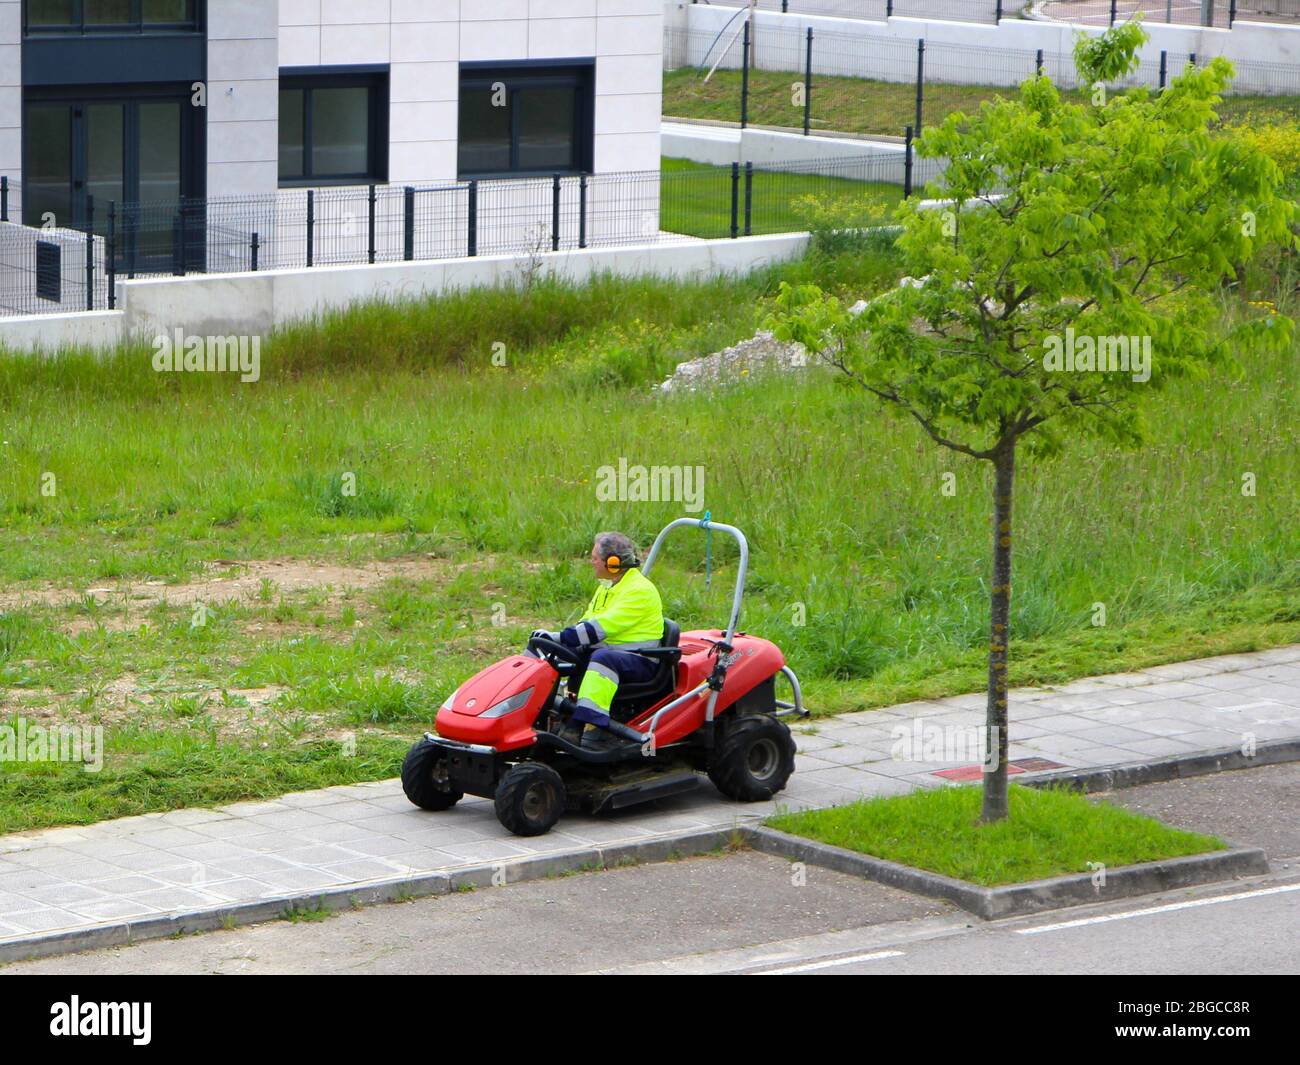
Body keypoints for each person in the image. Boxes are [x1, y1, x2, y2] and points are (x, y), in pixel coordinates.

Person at [531, 531, 664, 749]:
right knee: (557, 653)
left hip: (641, 660)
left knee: (603, 659)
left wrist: (560, 637)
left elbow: (599, 629)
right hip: (615, 653)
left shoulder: (640, 591)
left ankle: (586, 726)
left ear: (613, 563)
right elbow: (585, 623)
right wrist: (556, 640)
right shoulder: (607, 587)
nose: (591, 562)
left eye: (594, 558)